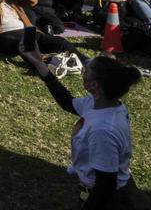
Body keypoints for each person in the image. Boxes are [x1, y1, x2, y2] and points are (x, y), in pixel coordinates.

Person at [19, 47, 143, 209]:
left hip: (111, 200)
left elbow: (105, 185)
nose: (82, 72)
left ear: (94, 85)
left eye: (86, 71)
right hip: (103, 192)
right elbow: (67, 102)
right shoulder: (102, 104)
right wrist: (40, 66)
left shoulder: (103, 130)